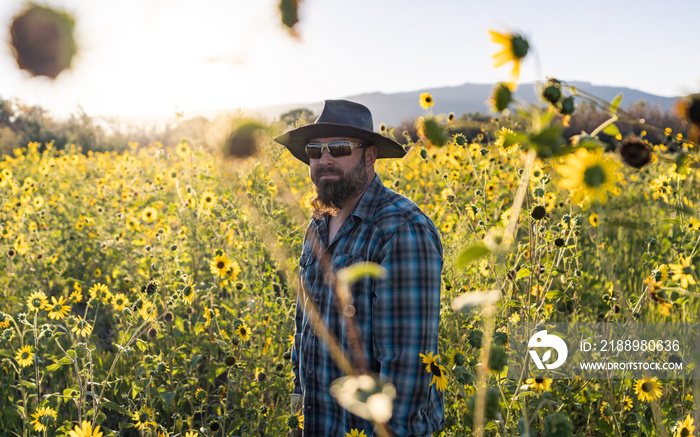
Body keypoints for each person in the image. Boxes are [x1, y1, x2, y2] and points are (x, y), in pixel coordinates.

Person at [274, 99, 444, 436]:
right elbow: (306, 325)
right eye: (314, 150)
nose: (324, 159)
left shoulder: (400, 228)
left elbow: (407, 367)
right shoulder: (319, 222)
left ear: (369, 156)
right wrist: (299, 407)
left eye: (338, 149)